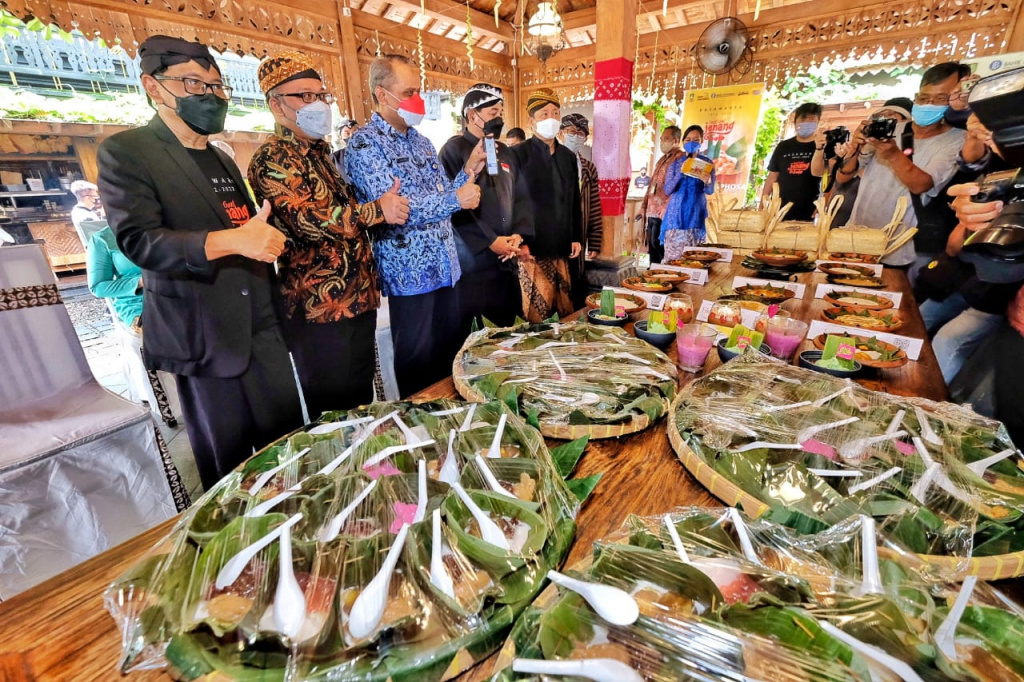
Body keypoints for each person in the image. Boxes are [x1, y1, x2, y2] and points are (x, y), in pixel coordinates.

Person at [97, 35, 303, 490]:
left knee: (286, 450)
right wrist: (236, 241)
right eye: (193, 83)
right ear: (153, 87)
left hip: (261, 327)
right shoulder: (127, 152)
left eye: (215, 85)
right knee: (229, 469)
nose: (209, 95)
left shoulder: (221, 158)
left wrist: (263, 241)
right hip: (203, 333)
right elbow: (140, 242)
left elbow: (246, 229)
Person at [248, 51, 409, 419]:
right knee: (332, 416)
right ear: (276, 104)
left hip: (358, 298)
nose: (317, 104)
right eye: (304, 96)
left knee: (360, 403)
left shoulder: (322, 154)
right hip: (318, 308)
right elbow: (312, 222)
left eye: (321, 95)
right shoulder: (272, 158)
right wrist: (376, 210)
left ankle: (365, 467)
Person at [345, 54, 483, 397]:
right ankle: (422, 434)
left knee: (449, 359)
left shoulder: (422, 142)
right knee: (418, 365)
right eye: (409, 92)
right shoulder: (365, 144)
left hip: (446, 269)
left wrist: (467, 173)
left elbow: (439, 199)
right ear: (382, 94)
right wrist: (456, 199)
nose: (417, 100)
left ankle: (452, 427)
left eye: (419, 91)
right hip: (411, 276)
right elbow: (397, 210)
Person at [914, 113, 1018, 384]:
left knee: (947, 342)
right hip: (963, 281)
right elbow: (952, 247)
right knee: (917, 320)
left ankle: (929, 402)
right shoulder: (995, 176)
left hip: (993, 297)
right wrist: (968, 221)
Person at [837, 63, 966, 275]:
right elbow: (845, 176)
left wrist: (892, 154)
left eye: (940, 99)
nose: (929, 105)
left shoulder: (958, 139)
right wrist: (856, 146)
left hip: (902, 246)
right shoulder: (890, 129)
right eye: (924, 98)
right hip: (858, 236)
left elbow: (921, 184)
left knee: (892, 303)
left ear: (956, 98)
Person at [438, 82, 532, 332]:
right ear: (472, 115)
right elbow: (451, 206)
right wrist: (490, 241)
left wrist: (517, 236)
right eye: (493, 114)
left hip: (507, 258)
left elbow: (521, 198)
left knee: (510, 330)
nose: (498, 119)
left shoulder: (506, 152)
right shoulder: (453, 150)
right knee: (478, 334)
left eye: (500, 113)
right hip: (474, 262)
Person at [511, 89, 582, 322]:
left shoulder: (567, 157)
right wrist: (519, 241)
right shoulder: (517, 155)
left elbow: (574, 200)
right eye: (543, 114)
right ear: (531, 120)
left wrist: (576, 237)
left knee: (563, 314)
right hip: (531, 250)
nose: (550, 118)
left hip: (561, 247)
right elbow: (511, 202)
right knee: (535, 318)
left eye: (555, 113)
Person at [826, 98, 913, 228]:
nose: (884, 120)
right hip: (861, 225)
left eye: (891, 115)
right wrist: (856, 146)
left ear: (907, 121)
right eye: (880, 116)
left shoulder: (914, 146)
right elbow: (842, 177)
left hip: (897, 226)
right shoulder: (871, 146)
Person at [559, 113, 602, 308]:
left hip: (579, 235)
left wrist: (594, 241)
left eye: (580, 133)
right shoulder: (550, 162)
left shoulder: (587, 167)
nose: (575, 136)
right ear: (561, 134)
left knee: (575, 282)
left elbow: (594, 204)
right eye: (570, 132)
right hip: (554, 234)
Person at [660, 125, 716, 260]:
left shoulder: (707, 164)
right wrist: (681, 172)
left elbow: (710, 190)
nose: (692, 143)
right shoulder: (675, 163)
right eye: (688, 139)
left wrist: (708, 181)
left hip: (696, 214)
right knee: (674, 260)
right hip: (676, 215)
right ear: (683, 142)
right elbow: (667, 189)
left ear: (702, 141)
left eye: (696, 140)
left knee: (695, 260)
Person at [761, 103, 824, 221]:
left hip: (809, 209)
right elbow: (772, 177)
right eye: (803, 119)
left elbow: (829, 178)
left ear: (818, 122)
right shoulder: (783, 146)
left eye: (811, 120)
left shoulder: (821, 146)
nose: (806, 123)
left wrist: (823, 204)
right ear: (795, 121)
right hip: (779, 208)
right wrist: (762, 203)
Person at [640, 125, 684, 264]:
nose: (662, 141)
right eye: (661, 139)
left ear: (676, 140)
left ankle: (661, 272)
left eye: (666, 138)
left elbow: (679, 187)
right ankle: (652, 271)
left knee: (659, 244)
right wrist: (644, 205)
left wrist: (667, 206)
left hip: (664, 211)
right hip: (652, 210)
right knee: (651, 244)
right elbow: (652, 184)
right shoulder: (661, 159)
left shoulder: (680, 159)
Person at [331, 117, 358, 184]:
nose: (351, 136)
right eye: (347, 134)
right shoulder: (334, 157)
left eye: (355, 133)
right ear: (340, 138)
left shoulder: (371, 153)